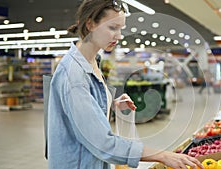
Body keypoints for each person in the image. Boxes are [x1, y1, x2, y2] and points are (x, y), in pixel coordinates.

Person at [47, 0, 203, 169]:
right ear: (90, 24)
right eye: (113, 28)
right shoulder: (74, 74)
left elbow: (77, 112)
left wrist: (109, 104)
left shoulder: (92, 62)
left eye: (121, 28)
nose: (120, 35)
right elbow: (101, 143)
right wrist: (162, 156)